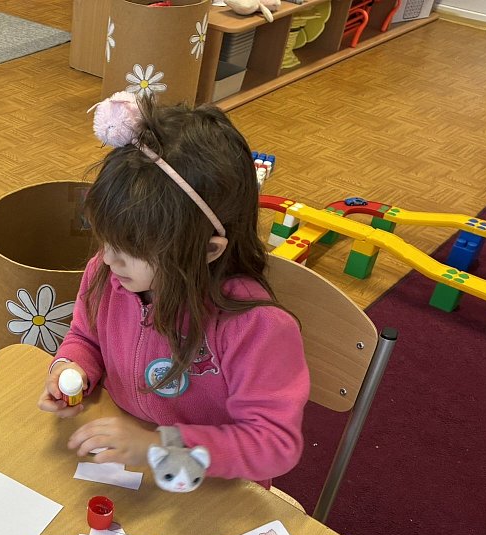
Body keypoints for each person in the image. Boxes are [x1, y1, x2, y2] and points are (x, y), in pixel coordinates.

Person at [38, 94, 308, 485]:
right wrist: (72, 368)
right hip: (130, 456)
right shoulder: (107, 272)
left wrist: (159, 448)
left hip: (211, 481)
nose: (108, 259)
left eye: (131, 249)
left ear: (208, 250)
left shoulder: (256, 327)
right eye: (105, 238)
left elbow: (273, 444)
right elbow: (85, 337)